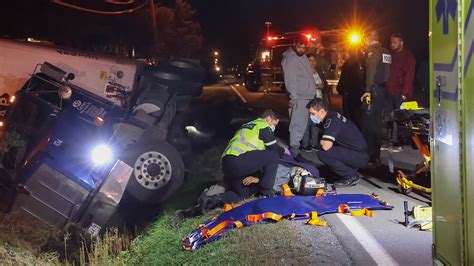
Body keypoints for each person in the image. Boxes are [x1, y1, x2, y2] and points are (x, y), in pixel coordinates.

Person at [221, 109, 286, 201]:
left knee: (243, 195)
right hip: (239, 160)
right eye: (274, 124)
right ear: (268, 119)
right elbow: (275, 149)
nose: (274, 127)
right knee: (273, 155)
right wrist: (284, 151)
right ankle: (267, 192)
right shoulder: (262, 125)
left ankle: (213, 199)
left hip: (227, 165)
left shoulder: (247, 126)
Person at [307, 98, 369, 187]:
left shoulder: (332, 121)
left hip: (359, 156)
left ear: (321, 111)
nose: (311, 117)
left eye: (312, 114)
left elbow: (326, 146)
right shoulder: (333, 116)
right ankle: (342, 172)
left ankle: (351, 176)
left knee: (323, 154)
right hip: (357, 153)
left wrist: (321, 142)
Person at [359, 30, 391, 166]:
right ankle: (376, 154)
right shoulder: (386, 52)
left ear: (368, 39)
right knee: (377, 122)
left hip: (373, 90)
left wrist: (367, 90)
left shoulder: (373, 51)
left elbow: (371, 70)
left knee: (368, 122)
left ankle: (369, 155)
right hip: (382, 90)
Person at [282, 34, 317, 156]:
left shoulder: (301, 56)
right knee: (297, 123)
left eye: (304, 47)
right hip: (299, 97)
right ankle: (295, 150)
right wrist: (293, 97)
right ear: (293, 44)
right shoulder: (290, 58)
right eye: (299, 47)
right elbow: (290, 79)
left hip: (306, 96)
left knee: (303, 124)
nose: (301, 49)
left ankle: (297, 147)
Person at [386, 33, 416, 145]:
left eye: (395, 42)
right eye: (391, 42)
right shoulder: (391, 55)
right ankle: (391, 140)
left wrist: (405, 92)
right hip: (390, 91)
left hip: (401, 93)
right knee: (390, 116)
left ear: (401, 42)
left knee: (400, 118)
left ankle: (399, 142)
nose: (392, 44)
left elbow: (409, 75)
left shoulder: (408, 57)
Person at [337, 50, 364, 124]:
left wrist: (341, 89)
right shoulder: (362, 64)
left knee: (348, 114)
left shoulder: (348, 64)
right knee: (357, 114)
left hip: (348, 92)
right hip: (358, 92)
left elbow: (344, 78)